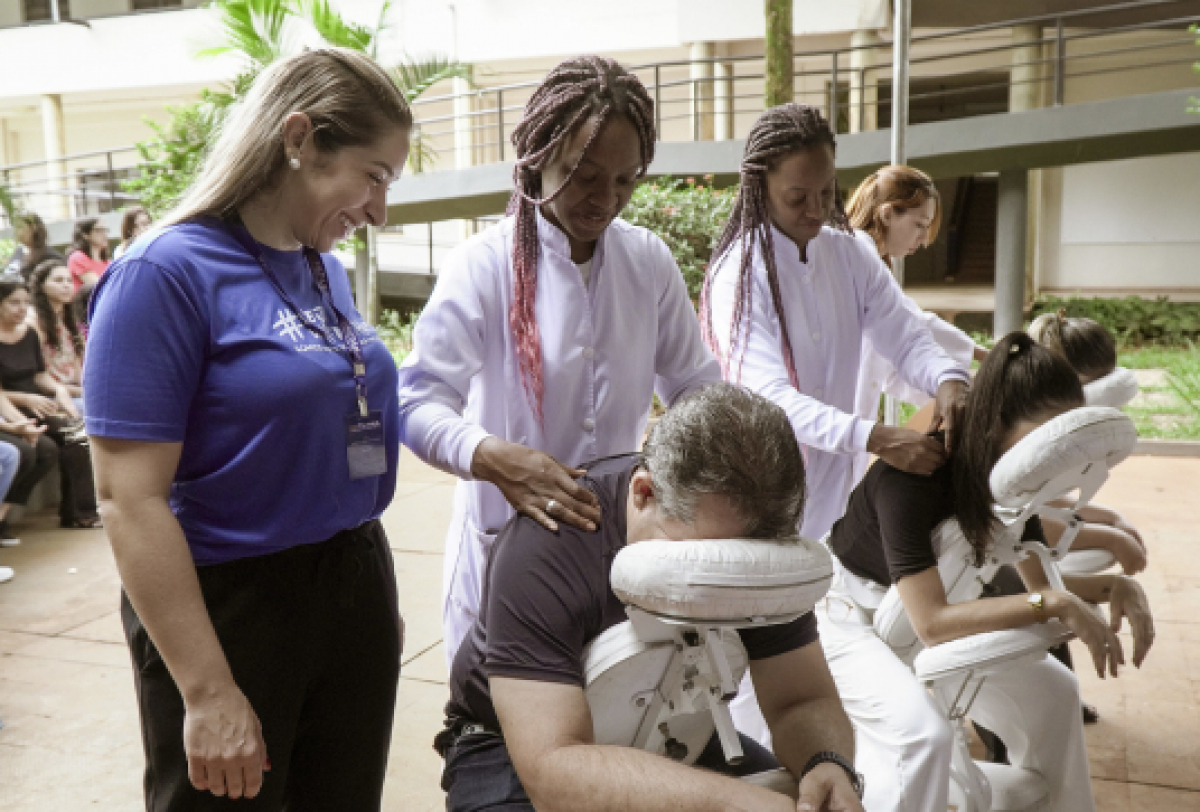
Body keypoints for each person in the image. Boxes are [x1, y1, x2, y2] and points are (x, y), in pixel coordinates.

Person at [83, 49, 412, 810]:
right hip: (234, 603)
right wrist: (207, 689)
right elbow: (128, 500)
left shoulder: (317, 267)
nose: (378, 208)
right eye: (374, 175)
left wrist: (361, 596)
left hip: (352, 577)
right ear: (298, 137)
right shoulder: (162, 274)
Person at [398, 55, 722, 663]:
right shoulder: (486, 263)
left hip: (614, 554)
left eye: (626, 180)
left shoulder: (646, 261)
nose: (607, 198)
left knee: (604, 727)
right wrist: (493, 459)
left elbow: (695, 385)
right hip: (504, 554)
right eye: (583, 173)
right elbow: (414, 399)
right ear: (539, 153)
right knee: (502, 736)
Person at [439, 383, 865, 812]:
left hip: (674, 726)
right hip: (509, 745)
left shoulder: (759, 546)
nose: (734, 574)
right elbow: (553, 771)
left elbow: (801, 699)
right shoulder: (545, 547)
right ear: (644, 493)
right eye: (711, 560)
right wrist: (738, 803)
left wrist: (825, 763)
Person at [819, 331, 1156, 812]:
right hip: (850, 617)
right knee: (923, 738)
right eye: (1043, 437)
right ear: (996, 424)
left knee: (1056, 692)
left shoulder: (1015, 483)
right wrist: (1053, 603)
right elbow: (932, 623)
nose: (1051, 456)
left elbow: (1043, 587)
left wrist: (1113, 586)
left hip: (928, 612)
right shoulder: (913, 480)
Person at [700, 104, 971, 546]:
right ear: (759, 188)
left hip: (833, 498)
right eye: (796, 197)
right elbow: (768, 397)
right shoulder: (740, 274)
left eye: (826, 192)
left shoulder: (850, 254)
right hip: (755, 500)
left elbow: (905, 336)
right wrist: (875, 437)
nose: (815, 209)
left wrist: (948, 378)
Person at [845, 166, 989, 482]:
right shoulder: (856, 253)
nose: (923, 240)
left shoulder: (869, 261)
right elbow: (913, 324)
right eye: (919, 226)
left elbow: (908, 330)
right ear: (886, 214)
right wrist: (985, 358)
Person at [1027, 310, 1148, 576]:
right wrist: (1110, 537)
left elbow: (1031, 498)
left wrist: (1111, 518)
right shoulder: (1004, 426)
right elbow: (1009, 523)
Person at [0, 277, 97, 528]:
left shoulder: (28, 333)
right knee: (44, 448)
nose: (22, 308)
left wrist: (58, 391)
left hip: (38, 403)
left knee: (77, 435)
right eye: (14, 303)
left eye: (25, 302)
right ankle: (4, 518)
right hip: (14, 407)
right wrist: (25, 411)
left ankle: (79, 512)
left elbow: (39, 375)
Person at [28, 259, 84, 407]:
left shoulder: (69, 320)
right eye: (58, 280)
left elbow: (78, 368)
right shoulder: (34, 322)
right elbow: (34, 377)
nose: (66, 285)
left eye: (69, 281)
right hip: (50, 395)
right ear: (41, 286)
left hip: (75, 391)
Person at [4, 213, 64, 280]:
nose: (17, 232)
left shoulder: (50, 256)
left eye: (20, 227)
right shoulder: (18, 252)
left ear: (34, 228)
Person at [66, 217, 111, 291]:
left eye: (105, 230)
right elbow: (98, 286)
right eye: (99, 230)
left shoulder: (108, 262)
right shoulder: (78, 257)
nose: (105, 235)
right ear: (85, 235)